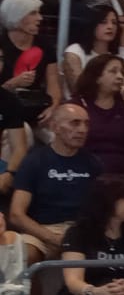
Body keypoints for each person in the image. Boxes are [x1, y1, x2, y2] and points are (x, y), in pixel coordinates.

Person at [9, 102, 100, 266]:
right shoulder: (34, 161)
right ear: (55, 127)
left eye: (86, 124)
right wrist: (51, 238)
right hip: (43, 229)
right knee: (25, 255)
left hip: (82, 229)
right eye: (75, 123)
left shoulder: (93, 163)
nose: (82, 130)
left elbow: (103, 207)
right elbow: (16, 214)